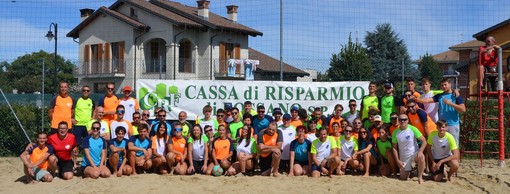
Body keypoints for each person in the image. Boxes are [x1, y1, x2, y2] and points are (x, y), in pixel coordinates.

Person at [417, 78, 466, 146]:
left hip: (453, 124)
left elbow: (463, 109)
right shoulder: (440, 95)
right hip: (442, 125)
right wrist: (416, 99)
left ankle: (456, 157)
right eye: (442, 85)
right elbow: (428, 100)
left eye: (445, 84)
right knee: (443, 146)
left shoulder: (456, 95)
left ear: (450, 84)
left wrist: (450, 103)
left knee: (454, 145)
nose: (444, 86)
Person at [391, 114, 427, 184]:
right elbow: (394, 148)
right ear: (398, 120)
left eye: (404, 119)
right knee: (403, 177)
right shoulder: (395, 133)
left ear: (408, 120)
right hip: (404, 157)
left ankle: (420, 177)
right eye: (401, 120)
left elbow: (424, 141)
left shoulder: (413, 129)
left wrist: (420, 151)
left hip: (414, 154)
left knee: (421, 157)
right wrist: (397, 161)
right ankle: (413, 170)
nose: (402, 121)